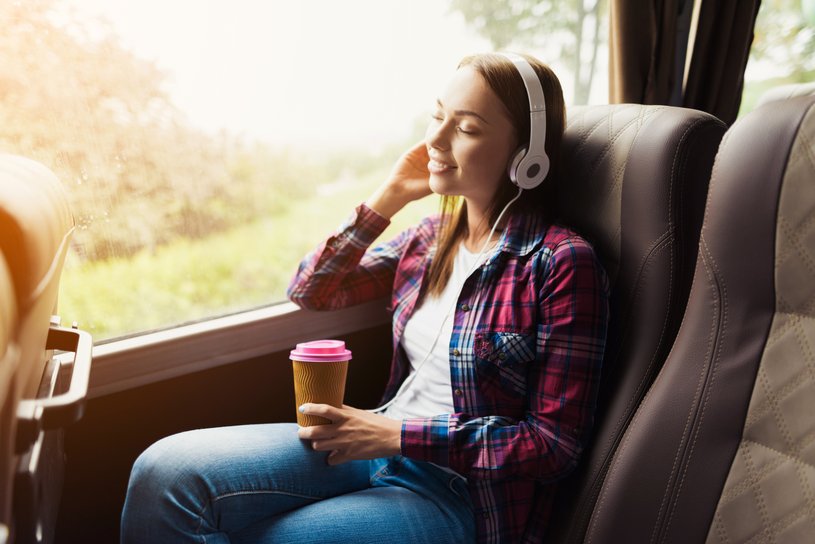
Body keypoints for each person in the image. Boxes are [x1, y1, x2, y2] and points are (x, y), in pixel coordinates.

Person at [120, 52, 610, 544]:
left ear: (527, 156)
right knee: (163, 474)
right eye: (437, 116)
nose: (434, 140)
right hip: (376, 444)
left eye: (466, 128)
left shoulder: (561, 262)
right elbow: (312, 289)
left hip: (461, 493)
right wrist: (390, 195)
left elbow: (553, 445)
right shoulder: (428, 239)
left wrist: (399, 436)